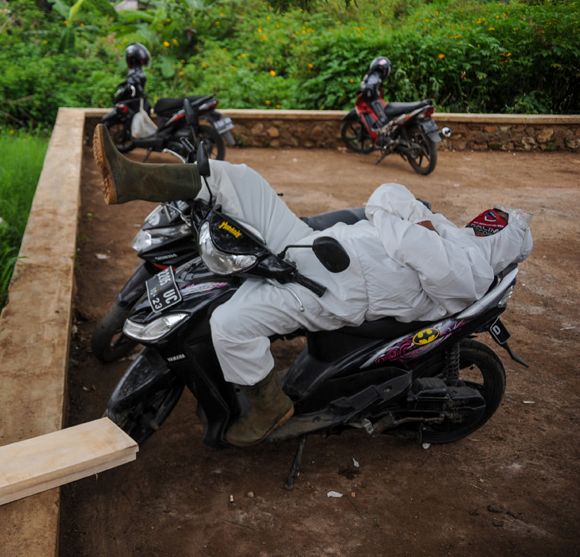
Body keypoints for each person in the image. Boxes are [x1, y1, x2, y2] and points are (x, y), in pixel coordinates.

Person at [92, 124, 534, 446]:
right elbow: (387, 194)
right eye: (486, 222)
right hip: (314, 245)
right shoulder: (445, 231)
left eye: (491, 229)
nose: (481, 227)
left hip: (338, 289)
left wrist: (406, 221)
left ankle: (267, 406)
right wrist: (408, 219)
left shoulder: (472, 273)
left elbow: (404, 232)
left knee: (228, 324)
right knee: (240, 178)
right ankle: (134, 178)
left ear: (498, 243)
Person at [360, 56, 392, 145]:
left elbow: (371, 82)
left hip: (373, 100)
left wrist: (369, 88)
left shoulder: (374, 75)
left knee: (383, 119)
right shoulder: (377, 75)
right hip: (376, 99)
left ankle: (383, 139)